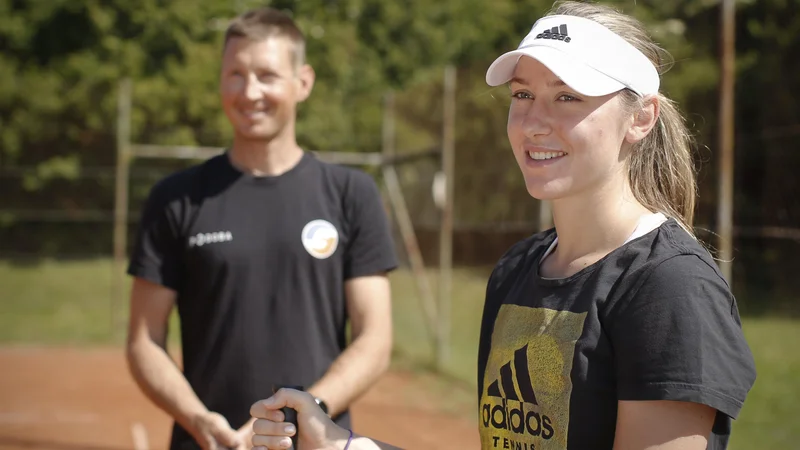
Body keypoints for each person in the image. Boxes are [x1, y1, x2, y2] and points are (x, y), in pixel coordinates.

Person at [247, 1, 757, 449]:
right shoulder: (518, 268)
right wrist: (341, 445)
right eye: (522, 95)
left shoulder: (668, 288)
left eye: (567, 96)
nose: (534, 122)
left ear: (640, 118)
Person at [125, 6, 398, 450]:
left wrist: (302, 414)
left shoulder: (352, 193)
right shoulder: (176, 198)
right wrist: (200, 421)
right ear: (221, 81)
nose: (249, 91)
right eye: (236, 74)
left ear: (302, 82)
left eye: (267, 75)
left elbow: (375, 338)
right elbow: (144, 341)